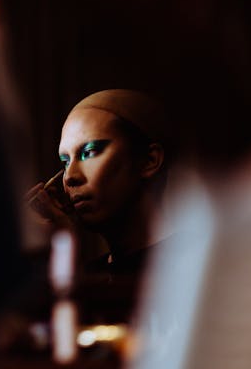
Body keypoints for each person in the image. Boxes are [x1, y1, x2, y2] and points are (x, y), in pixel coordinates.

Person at [27, 88, 172, 324]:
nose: (70, 177)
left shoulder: (191, 267)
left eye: (89, 152)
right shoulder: (89, 275)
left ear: (149, 160)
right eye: (65, 162)